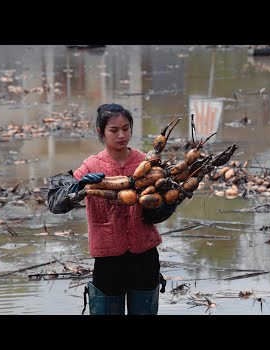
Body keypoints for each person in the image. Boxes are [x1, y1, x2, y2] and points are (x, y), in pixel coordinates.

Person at [47, 103, 176, 315]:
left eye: (126, 128)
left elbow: (157, 214)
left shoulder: (147, 163)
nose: (121, 135)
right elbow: (55, 203)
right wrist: (78, 187)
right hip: (108, 260)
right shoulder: (91, 166)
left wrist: (169, 201)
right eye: (114, 130)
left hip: (144, 256)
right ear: (101, 132)